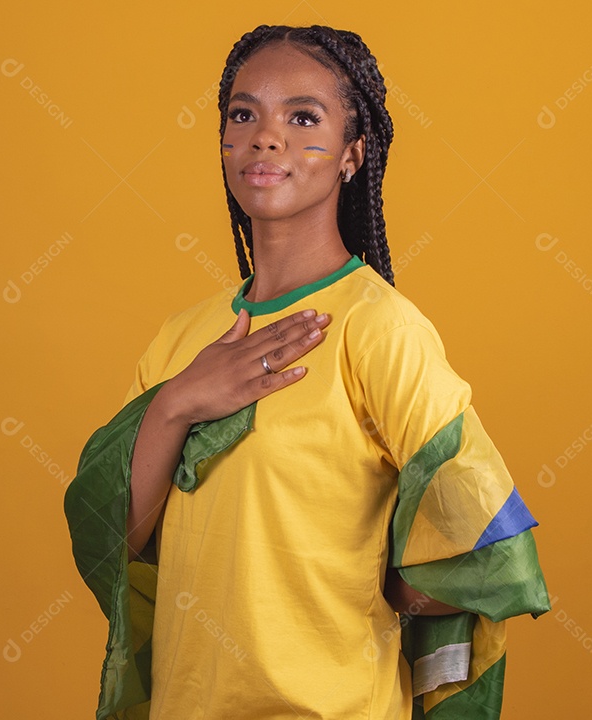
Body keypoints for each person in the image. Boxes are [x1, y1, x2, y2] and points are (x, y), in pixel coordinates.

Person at [65, 24, 549, 720]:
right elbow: (120, 542)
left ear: (353, 153)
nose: (266, 138)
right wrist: (177, 402)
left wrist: (373, 588)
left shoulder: (377, 330)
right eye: (243, 115)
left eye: (302, 118)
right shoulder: (180, 340)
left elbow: (490, 551)